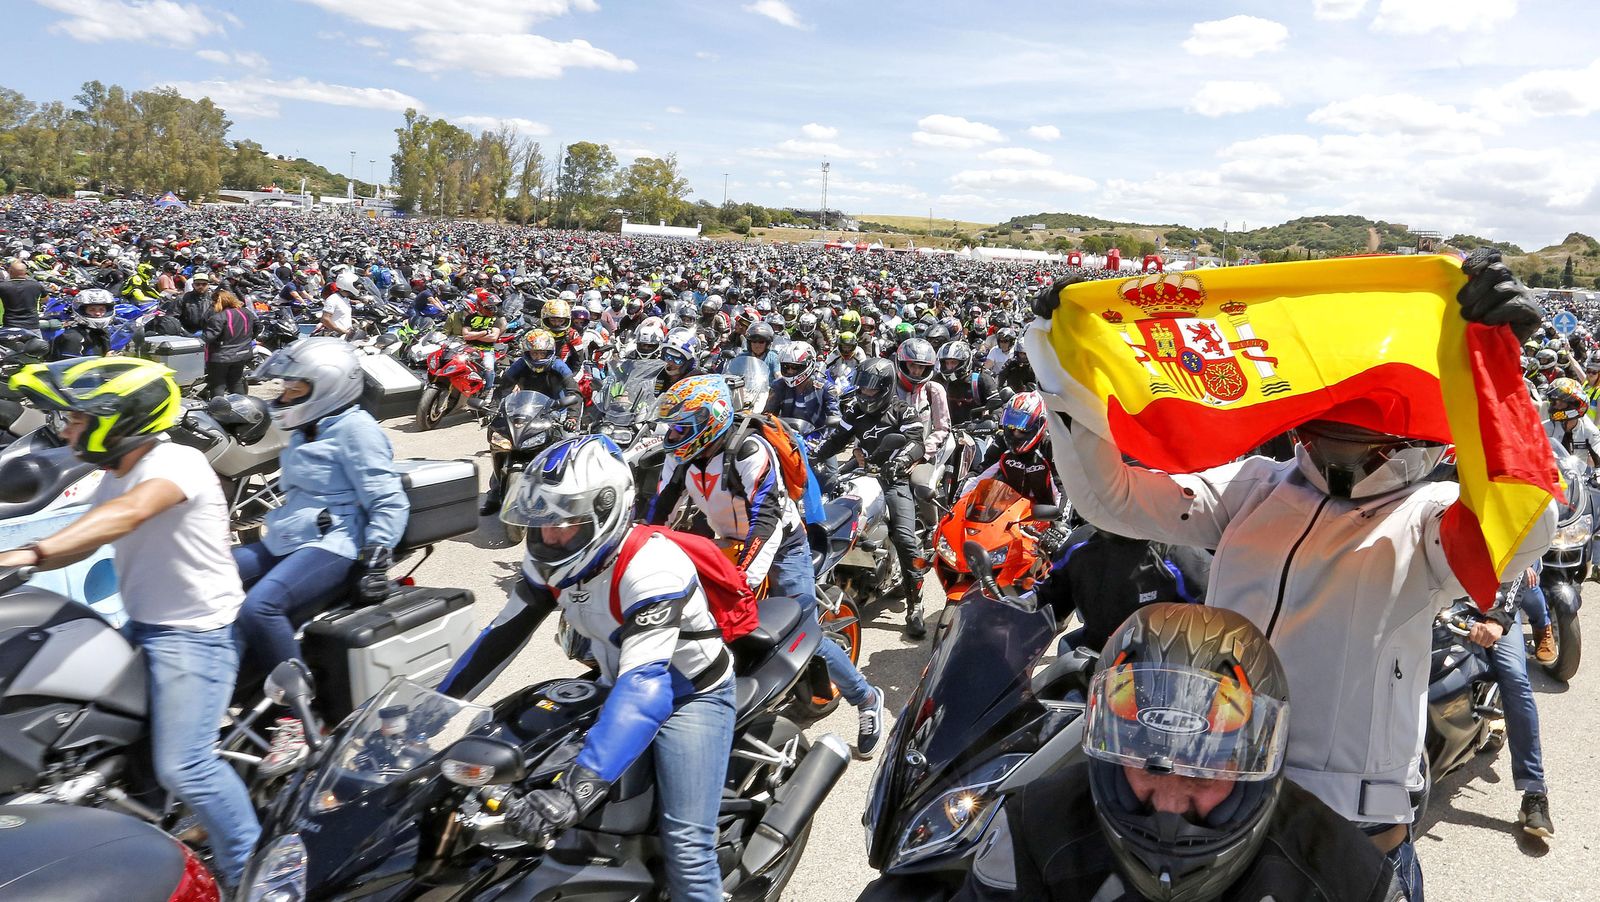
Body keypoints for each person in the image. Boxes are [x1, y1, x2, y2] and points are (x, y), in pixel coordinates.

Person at [1030, 251, 1557, 900]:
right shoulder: (1254, 487)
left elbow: (1524, 526)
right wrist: (1059, 365)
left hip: (1348, 829)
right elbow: (1110, 499)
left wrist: (1498, 381)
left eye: (1367, 452)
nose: (1340, 465)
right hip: (1214, 801)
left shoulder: (1429, 521)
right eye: (1324, 442)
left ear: (1424, 449)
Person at [0, 358, 261, 890]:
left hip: (195, 634)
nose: (67, 428)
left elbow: (128, 515)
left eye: (76, 418)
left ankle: (253, 871)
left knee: (184, 766)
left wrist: (27, 553)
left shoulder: (177, 462)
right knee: (96, 733)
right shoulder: (117, 474)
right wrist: (16, 564)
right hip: (145, 624)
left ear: (118, 421)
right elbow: (88, 535)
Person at [445, 436, 737, 902]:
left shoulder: (654, 567)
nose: (550, 536)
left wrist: (575, 791)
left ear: (606, 513)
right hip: (613, 678)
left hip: (687, 693)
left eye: (565, 523)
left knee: (686, 845)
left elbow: (647, 687)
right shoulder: (548, 557)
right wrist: (438, 711)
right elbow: (498, 638)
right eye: (542, 524)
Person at [956, 604, 1402, 902]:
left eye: (1202, 776)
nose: (1168, 806)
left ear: (1255, 766)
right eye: (1146, 765)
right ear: (1110, 754)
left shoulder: (1344, 876)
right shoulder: (1036, 826)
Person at [649, 375, 886, 757]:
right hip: (728, 542)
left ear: (711, 418)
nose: (675, 434)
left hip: (782, 545)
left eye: (683, 425)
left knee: (801, 632)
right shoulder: (681, 457)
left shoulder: (749, 449)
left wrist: (739, 581)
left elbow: (767, 518)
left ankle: (865, 697)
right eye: (673, 426)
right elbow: (660, 512)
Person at [238, 338, 410, 774]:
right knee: (211, 573)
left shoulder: (356, 429)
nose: (283, 396)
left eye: (294, 388)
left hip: (337, 543)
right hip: (289, 536)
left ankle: (297, 718)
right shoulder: (309, 427)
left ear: (326, 387)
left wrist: (377, 554)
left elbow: (388, 499)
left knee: (262, 607)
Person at [814, 358, 931, 637]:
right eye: (862, 389)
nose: (865, 394)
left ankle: (915, 606)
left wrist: (900, 462)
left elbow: (917, 442)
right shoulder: (854, 412)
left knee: (904, 537)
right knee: (824, 518)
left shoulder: (903, 411)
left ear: (886, 388)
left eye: (871, 390)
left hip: (894, 480)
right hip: (861, 474)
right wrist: (810, 454)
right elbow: (835, 440)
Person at [1472, 571, 1556, 838]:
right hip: (1442, 606)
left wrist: (1498, 619)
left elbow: (1517, 567)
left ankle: (1534, 792)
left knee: (1515, 678)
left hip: (1495, 606)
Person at [480, 329, 582, 513]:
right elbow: (502, 389)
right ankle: (495, 494)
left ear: (550, 352)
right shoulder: (519, 365)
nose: (538, 356)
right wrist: (494, 409)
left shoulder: (559, 366)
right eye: (534, 352)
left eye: (542, 353)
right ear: (527, 353)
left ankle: (567, 493)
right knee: (503, 446)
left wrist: (573, 417)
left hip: (556, 410)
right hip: (525, 408)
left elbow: (574, 392)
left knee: (568, 445)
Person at [445, 288, 506, 399]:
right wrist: (484, 332)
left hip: (487, 350)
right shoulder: (470, 317)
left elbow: (493, 337)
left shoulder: (495, 319)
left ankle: (488, 391)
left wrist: (474, 335)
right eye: (489, 306)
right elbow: (465, 335)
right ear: (480, 306)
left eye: (493, 306)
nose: (492, 309)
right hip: (468, 347)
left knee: (488, 368)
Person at [766, 341, 838, 433]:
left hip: (816, 438)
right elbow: (768, 415)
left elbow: (834, 417)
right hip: (786, 435)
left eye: (795, 367)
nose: (790, 371)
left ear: (808, 364)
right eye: (786, 367)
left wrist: (828, 441)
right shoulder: (778, 385)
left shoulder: (826, 388)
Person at [201, 289, 257, 398]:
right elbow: (258, 326)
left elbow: (208, 337)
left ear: (219, 301)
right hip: (242, 353)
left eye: (214, 302)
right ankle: (242, 408)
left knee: (218, 385)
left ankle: (217, 412)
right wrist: (246, 340)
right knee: (236, 382)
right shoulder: (246, 312)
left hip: (221, 357)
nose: (212, 304)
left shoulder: (218, 317)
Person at [50, 287, 115, 359]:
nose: (98, 313)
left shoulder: (102, 332)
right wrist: (104, 361)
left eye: (102, 309)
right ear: (82, 311)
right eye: (92, 310)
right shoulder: (73, 337)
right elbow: (70, 367)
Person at [0, 259, 44, 333]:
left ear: (10, 272)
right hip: (32, 326)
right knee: (39, 344)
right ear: (25, 273)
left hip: (10, 325)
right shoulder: (36, 285)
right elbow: (45, 299)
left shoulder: (2, 287)